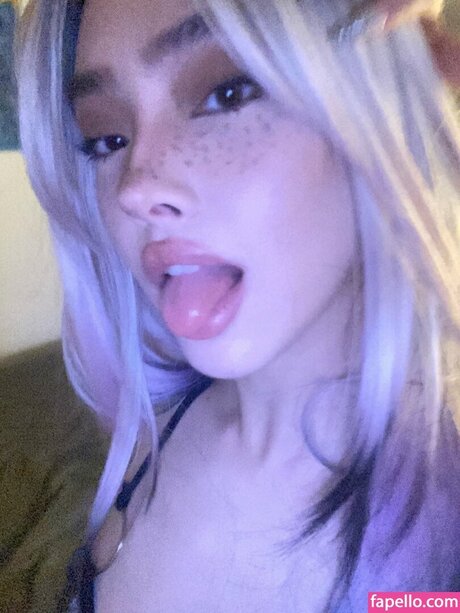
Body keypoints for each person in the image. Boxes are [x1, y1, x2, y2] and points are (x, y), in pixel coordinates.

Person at [14, 0, 460, 610]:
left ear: (374, 100)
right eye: (106, 138)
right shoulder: (152, 437)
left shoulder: (438, 549)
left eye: (228, 93)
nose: (136, 188)